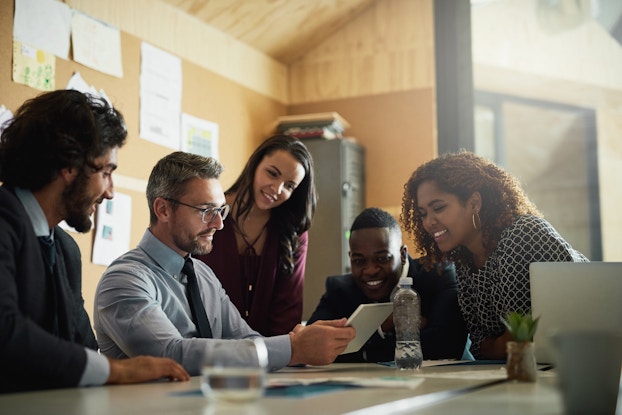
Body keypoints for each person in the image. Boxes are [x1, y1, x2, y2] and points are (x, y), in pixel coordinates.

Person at [93, 151, 354, 375]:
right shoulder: (125, 279)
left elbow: (247, 340)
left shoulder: (203, 275)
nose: (218, 224)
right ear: (163, 210)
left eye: (220, 211)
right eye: (207, 211)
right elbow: (169, 354)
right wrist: (293, 348)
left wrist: (297, 342)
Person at [0, 90, 189, 393]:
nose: (110, 191)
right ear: (69, 165)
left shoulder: (64, 249)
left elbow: (82, 347)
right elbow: (6, 333)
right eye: (105, 172)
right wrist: (119, 370)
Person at [401, 151, 588, 360]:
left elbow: (520, 342)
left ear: (474, 202)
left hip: (584, 361)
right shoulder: (465, 258)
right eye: (423, 213)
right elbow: (480, 347)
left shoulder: (522, 235)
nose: (428, 222)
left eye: (438, 208)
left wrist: (497, 344)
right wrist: (496, 345)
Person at [308, 207, 467, 363]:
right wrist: (383, 327)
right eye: (359, 261)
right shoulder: (340, 290)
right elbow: (309, 348)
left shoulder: (438, 275)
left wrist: (359, 350)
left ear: (403, 255)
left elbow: (447, 345)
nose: (370, 270)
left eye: (382, 258)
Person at [196, 134, 316, 336]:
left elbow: (288, 310)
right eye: (272, 173)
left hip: (268, 356)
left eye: (289, 186)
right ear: (255, 164)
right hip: (205, 350)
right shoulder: (209, 214)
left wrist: (273, 356)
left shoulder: (294, 233)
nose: (277, 189)